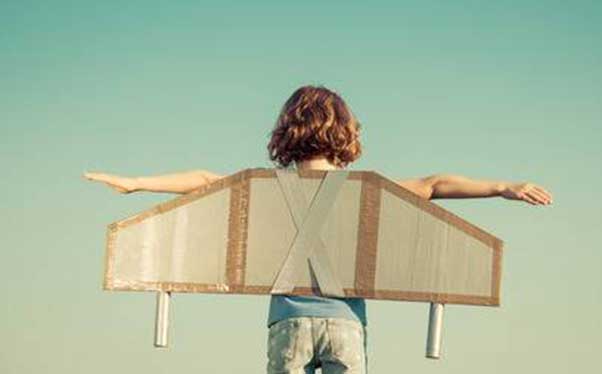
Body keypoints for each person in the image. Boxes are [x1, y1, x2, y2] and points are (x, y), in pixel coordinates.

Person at [84, 85, 553, 373]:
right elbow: (433, 185)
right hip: (344, 324)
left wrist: (136, 184)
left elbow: (204, 181)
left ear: (286, 132)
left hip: (288, 322)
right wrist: (502, 186)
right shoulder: (365, 189)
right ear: (346, 133)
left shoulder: (268, 186)